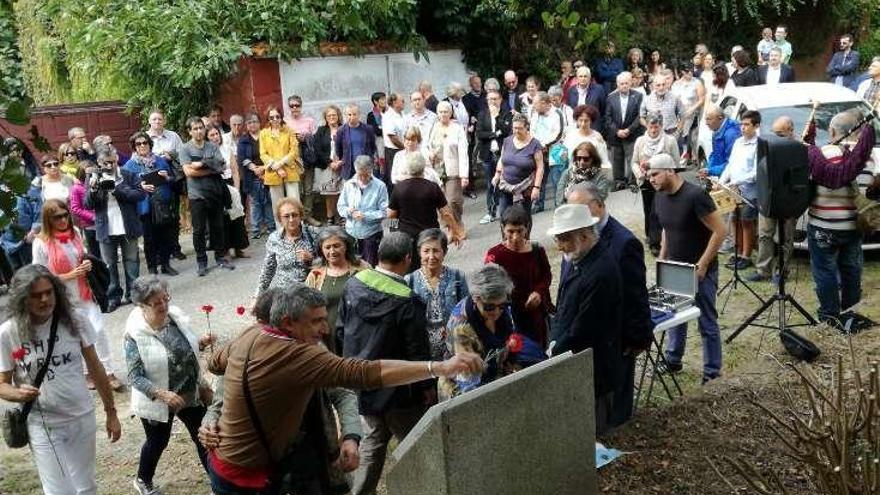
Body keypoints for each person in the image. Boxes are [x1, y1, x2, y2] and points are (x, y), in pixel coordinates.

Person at [205, 287, 483, 494]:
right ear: (287, 322)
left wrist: (350, 435)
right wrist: (439, 367)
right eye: (315, 321)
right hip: (245, 479)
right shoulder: (297, 355)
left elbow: (215, 363)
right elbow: (365, 373)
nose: (325, 329)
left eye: (325, 319)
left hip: (228, 467)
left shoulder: (251, 335)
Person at [198, 287, 364, 495]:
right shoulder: (247, 349)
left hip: (311, 454)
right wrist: (208, 423)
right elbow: (220, 402)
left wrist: (351, 435)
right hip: (265, 465)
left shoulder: (310, 351)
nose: (263, 334)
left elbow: (342, 392)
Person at [0, 265, 121, 495]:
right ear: (22, 298)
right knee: (59, 491)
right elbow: (1, 384)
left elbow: (96, 367)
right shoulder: (8, 333)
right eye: (36, 295)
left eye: (49, 292)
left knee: (86, 486)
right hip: (42, 424)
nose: (45, 299)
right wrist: (17, 394)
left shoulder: (75, 320)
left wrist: (111, 412)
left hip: (81, 416)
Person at [338, 232, 441, 495]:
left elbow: (341, 330)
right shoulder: (407, 301)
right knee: (417, 444)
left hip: (363, 379)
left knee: (373, 440)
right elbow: (418, 351)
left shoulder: (353, 285)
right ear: (408, 259)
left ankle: (360, 491)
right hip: (400, 390)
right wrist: (427, 386)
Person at [566, 182, 651, 426]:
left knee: (616, 407)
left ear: (600, 205)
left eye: (581, 208)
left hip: (617, 341)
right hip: (589, 339)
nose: (576, 215)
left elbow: (635, 297)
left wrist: (635, 340)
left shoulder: (624, 243)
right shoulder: (575, 237)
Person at [125, 276, 214, 495]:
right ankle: (142, 479)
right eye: (156, 303)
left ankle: (216, 483)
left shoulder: (175, 318)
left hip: (188, 392)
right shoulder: (134, 334)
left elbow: (182, 353)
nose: (164, 305)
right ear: (142, 305)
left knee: (202, 436)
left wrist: (200, 343)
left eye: (166, 298)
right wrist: (162, 394)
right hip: (157, 400)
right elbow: (134, 377)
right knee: (158, 441)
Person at [647, 153, 726, 384]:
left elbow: (720, 231)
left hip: (700, 270)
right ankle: (673, 359)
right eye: (649, 175)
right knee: (674, 315)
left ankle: (712, 372)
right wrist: (662, 258)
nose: (651, 179)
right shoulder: (660, 196)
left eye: (655, 174)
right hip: (674, 268)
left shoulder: (695, 196)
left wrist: (702, 265)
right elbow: (667, 229)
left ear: (670, 171)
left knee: (706, 321)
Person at [546, 203, 623, 434]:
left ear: (584, 235)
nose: (559, 246)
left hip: (594, 367)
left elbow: (585, 328)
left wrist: (556, 349)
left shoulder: (599, 270)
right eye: (557, 239)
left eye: (564, 239)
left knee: (594, 432)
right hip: (579, 362)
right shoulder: (580, 258)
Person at [32, 198, 123, 390]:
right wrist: (68, 276)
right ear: (48, 219)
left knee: (98, 331)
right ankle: (86, 373)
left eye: (66, 215)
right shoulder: (40, 243)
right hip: (63, 298)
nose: (63, 220)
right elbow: (40, 275)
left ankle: (108, 372)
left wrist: (86, 264)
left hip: (85, 291)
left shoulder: (74, 234)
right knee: (74, 336)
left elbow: (83, 255)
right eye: (57, 217)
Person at [803, 108, 876, 331]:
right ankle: (849, 315)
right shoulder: (868, 158)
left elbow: (805, 184)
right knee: (851, 271)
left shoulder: (821, 154)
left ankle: (829, 316)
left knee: (824, 272)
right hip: (853, 227)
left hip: (822, 225)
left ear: (833, 131)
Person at [441, 263, 521, 398]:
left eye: (502, 305)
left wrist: (511, 364)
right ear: (475, 298)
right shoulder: (462, 326)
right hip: (466, 388)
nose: (497, 312)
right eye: (489, 307)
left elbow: (510, 341)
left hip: (495, 376)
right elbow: (469, 383)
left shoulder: (504, 309)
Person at [85, 147, 146, 311]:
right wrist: (93, 189)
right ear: (99, 162)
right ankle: (113, 296)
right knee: (108, 264)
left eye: (113, 161)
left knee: (132, 261)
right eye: (106, 163)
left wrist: (116, 189)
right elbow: (88, 204)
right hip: (106, 227)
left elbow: (140, 195)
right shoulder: (92, 176)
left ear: (117, 158)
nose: (111, 165)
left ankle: (134, 294)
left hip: (128, 225)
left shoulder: (127, 174)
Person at [484, 204, 552, 346]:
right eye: (510, 231)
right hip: (509, 318)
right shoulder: (495, 255)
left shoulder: (537, 250)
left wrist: (538, 292)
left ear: (527, 228)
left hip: (536, 315)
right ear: (503, 228)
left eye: (520, 231)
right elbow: (489, 286)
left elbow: (546, 275)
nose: (515, 237)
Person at [388, 153, 465, 271]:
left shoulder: (399, 189)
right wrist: (456, 230)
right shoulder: (432, 187)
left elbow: (391, 215)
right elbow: (446, 214)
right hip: (430, 236)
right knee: (432, 268)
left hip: (407, 237)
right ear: (424, 167)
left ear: (408, 168)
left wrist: (392, 233)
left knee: (411, 270)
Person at [180, 116, 235, 276]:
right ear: (189, 131)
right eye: (195, 129)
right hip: (197, 195)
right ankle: (201, 262)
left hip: (215, 192)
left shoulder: (212, 146)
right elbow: (188, 172)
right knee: (199, 230)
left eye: (200, 128)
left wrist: (201, 165)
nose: (199, 131)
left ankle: (220, 257)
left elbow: (221, 167)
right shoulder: (185, 149)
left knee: (218, 226)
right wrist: (209, 166)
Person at [405, 229, 470, 361]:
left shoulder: (457, 277)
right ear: (419, 253)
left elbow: (467, 310)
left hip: (454, 347)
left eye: (436, 250)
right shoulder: (409, 281)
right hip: (423, 350)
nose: (431, 256)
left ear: (444, 252)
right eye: (426, 251)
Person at [304, 227, 371, 354]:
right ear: (321, 250)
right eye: (327, 247)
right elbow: (306, 306)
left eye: (336, 246)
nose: (332, 251)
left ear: (345, 246)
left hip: (358, 334)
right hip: (327, 337)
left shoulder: (362, 269)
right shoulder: (316, 274)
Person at [748, 116, 798, 283]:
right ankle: (763, 270)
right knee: (764, 234)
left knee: (786, 237)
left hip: (788, 200)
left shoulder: (798, 148)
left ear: (790, 131)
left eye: (780, 134)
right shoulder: (767, 146)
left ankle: (782, 271)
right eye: (774, 133)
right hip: (768, 198)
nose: (776, 137)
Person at [123, 131, 178, 277]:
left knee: (166, 236)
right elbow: (126, 188)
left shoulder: (160, 161)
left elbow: (172, 178)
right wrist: (141, 186)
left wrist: (166, 177)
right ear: (134, 147)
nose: (142, 146)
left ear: (150, 144)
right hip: (144, 206)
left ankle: (166, 265)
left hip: (162, 203)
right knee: (149, 239)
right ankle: (152, 268)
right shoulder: (129, 165)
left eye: (145, 143)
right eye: (138, 144)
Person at [632, 112, 680, 256]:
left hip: (664, 182)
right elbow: (634, 161)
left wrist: (671, 178)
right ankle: (650, 235)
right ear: (646, 125)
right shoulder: (640, 141)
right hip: (646, 181)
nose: (653, 130)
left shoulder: (670, 141)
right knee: (648, 209)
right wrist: (639, 173)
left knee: (658, 210)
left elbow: (676, 163)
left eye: (656, 127)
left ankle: (657, 242)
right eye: (651, 127)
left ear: (661, 126)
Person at [718, 110, 761, 271]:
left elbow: (756, 172)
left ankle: (746, 255)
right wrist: (723, 181)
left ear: (756, 126)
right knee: (734, 220)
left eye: (747, 125)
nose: (743, 128)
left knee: (747, 222)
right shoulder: (738, 142)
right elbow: (731, 164)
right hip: (733, 190)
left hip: (749, 192)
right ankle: (738, 251)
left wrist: (736, 181)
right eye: (741, 124)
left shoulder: (758, 145)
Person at [254, 197, 320, 297]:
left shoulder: (313, 234)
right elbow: (268, 269)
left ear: (301, 216)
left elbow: (329, 262)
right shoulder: (274, 239)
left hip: (309, 293)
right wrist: (257, 296)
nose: (291, 219)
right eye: (286, 216)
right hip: (284, 295)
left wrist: (312, 259)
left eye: (294, 215)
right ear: (280, 219)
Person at [146, 109, 186, 262]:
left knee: (173, 215)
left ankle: (175, 248)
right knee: (157, 217)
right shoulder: (144, 138)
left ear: (164, 121)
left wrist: (171, 155)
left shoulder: (173, 136)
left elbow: (182, 154)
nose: (157, 122)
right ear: (149, 121)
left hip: (171, 179)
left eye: (159, 119)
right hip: (153, 183)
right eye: (154, 119)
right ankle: (160, 250)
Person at [337, 155, 389, 267]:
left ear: (372, 170)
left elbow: (384, 212)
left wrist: (365, 215)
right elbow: (341, 207)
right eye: (360, 175)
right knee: (352, 265)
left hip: (371, 233)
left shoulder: (380, 186)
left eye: (367, 175)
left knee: (369, 267)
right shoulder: (348, 185)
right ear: (356, 171)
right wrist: (349, 211)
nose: (363, 178)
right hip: (351, 233)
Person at [492, 114, 544, 219]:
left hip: (524, 188)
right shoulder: (507, 141)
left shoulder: (535, 144)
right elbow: (502, 159)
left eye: (520, 128)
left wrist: (536, 188)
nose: (516, 131)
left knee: (523, 218)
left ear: (527, 127)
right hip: (505, 186)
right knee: (504, 216)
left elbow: (540, 168)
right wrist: (497, 174)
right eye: (514, 128)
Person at [427, 101, 470, 222]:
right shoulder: (434, 127)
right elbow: (428, 145)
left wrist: (464, 175)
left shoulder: (457, 128)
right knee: (441, 202)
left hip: (454, 170)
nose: (443, 114)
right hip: (438, 170)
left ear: (450, 113)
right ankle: (449, 228)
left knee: (452, 201)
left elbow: (463, 153)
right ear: (437, 113)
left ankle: (457, 225)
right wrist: (430, 153)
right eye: (440, 112)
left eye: (446, 111)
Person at [259, 106, 302, 224]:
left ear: (281, 117)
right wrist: (276, 167)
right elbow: (263, 154)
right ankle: (281, 231)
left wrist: (281, 164)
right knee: (277, 205)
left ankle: (298, 230)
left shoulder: (289, 130)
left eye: (277, 116)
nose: (275, 119)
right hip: (273, 172)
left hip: (290, 169)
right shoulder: (263, 133)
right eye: (271, 117)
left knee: (294, 202)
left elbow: (294, 151)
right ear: (268, 119)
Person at [475, 90, 513, 224]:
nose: (492, 102)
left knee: (505, 182)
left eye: (495, 99)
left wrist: (497, 117)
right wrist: (495, 134)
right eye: (490, 99)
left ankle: (507, 210)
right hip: (488, 154)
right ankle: (491, 212)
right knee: (490, 184)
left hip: (502, 154)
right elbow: (480, 134)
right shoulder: (482, 114)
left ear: (500, 99)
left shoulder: (505, 114)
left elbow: (507, 131)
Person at [238, 112, 275, 239]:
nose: (252, 124)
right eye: (249, 122)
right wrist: (255, 169)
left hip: (269, 171)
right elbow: (242, 158)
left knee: (269, 201)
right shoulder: (243, 140)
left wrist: (264, 169)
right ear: (246, 126)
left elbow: (273, 153)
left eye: (254, 121)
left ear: (260, 123)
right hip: (251, 175)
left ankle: (271, 227)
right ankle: (256, 229)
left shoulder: (267, 135)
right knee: (255, 202)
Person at [605, 71, 645, 190]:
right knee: (617, 159)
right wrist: (617, 131)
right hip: (616, 134)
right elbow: (607, 117)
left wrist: (629, 129)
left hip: (632, 133)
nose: (624, 86)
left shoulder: (638, 96)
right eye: (622, 83)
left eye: (627, 83)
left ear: (631, 82)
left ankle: (633, 180)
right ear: (617, 84)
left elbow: (640, 115)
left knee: (633, 157)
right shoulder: (611, 98)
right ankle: (619, 181)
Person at [527, 92, 565, 213]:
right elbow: (532, 130)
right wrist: (537, 145)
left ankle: (560, 204)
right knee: (539, 179)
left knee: (557, 179)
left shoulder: (557, 113)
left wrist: (546, 144)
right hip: (539, 150)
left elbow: (559, 133)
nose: (533, 107)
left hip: (557, 149)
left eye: (535, 104)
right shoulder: (535, 113)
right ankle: (538, 204)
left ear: (544, 103)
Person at [313, 105, 345, 225]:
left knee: (342, 192)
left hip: (342, 165)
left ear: (338, 116)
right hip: (327, 166)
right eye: (329, 115)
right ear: (325, 118)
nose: (332, 117)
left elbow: (348, 147)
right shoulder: (321, 131)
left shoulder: (344, 129)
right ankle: (330, 217)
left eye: (334, 115)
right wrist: (329, 162)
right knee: (329, 194)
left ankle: (342, 216)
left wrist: (341, 161)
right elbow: (317, 149)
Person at [671, 62, 706, 159]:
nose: (690, 73)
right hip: (678, 113)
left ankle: (689, 157)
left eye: (691, 70)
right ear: (682, 72)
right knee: (678, 134)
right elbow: (673, 99)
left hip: (692, 112)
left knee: (688, 135)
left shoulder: (697, 82)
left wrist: (692, 109)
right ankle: (681, 156)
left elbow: (702, 99)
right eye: (687, 71)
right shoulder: (676, 84)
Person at [335, 104, 377, 181]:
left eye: (354, 114)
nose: (352, 117)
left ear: (359, 115)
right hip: (349, 167)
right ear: (345, 115)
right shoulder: (341, 130)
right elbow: (338, 149)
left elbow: (372, 146)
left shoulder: (368, 129)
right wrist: (344, 159)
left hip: (365, 166)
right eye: (349, 115)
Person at [701, 105, 741, 178]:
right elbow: (715, 153)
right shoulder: (717, 130)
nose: (706, 123)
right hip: (721, 175)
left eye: (709, 119)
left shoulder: (731, 134)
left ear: (720, 118)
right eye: (706, 119)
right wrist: (708, 169)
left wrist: (711, 171)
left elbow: (732, 163)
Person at [566, 67, 606, 132]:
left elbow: (603, 109)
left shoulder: (599, 89)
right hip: (576, 127)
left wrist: (601, 126)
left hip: (594, 127)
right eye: (580, 76)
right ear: (576, 78)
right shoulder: (571, 90)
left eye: (585, 76)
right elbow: (569, 109)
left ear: (589, 78)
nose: (583, 79)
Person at [382, 93, 407, 189]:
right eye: (402, 101)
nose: (404, 102)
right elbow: (393, 137)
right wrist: (405, 148)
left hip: (404, 149)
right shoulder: (388, 116)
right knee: (394, 179)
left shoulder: (403, 114)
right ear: (394, 102)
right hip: (393, 152)